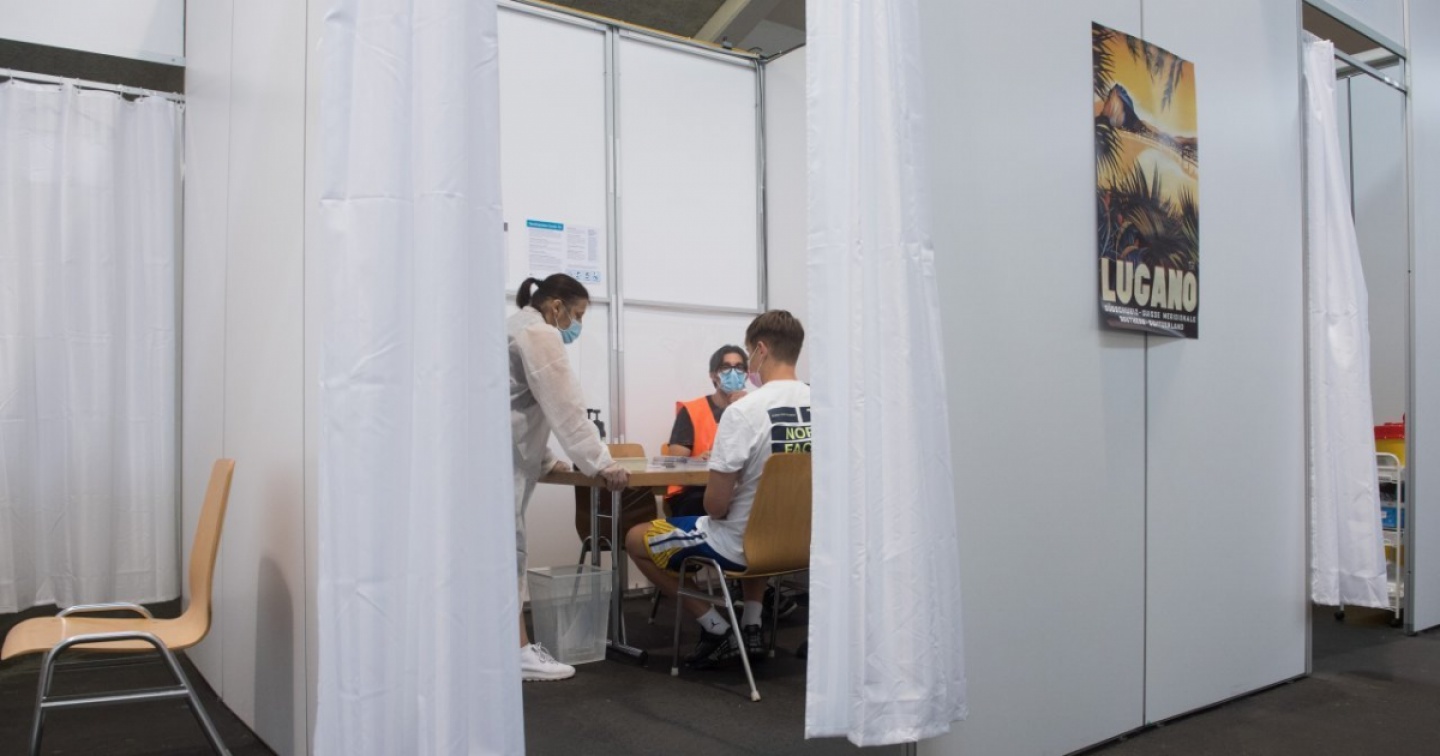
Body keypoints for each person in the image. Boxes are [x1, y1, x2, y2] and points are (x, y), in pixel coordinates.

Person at [625, 310, 811, 668]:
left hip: (740, 545)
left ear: (760, 350)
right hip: (802, 545)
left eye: (748, 354)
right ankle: (752, 625)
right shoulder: (826, 407)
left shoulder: (744, 411)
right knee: (755, 524)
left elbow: (715, 507)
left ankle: (716, 628)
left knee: (635, 538)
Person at [509, 273, 630, 681]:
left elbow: (518, 406)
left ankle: (505, 649)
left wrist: (546, 461)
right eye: (577, 315)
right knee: (508, 554)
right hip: (498, 467)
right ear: (556, 306)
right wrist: (601, 463)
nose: (577, 325)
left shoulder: (514, 327)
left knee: (495, 556)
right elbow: (565, 407)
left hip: (487, 460)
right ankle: (518, 652)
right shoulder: (539, 334)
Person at [664, 345, 749, 517]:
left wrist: (746, 406)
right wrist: (697, 461)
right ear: (713, 375)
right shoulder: (692, 410)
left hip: (742, 488)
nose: (733, 373)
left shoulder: (755, 408)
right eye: (726, 367)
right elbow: (673, 462)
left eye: (739, 367)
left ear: (746, 374)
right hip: (698, 490)